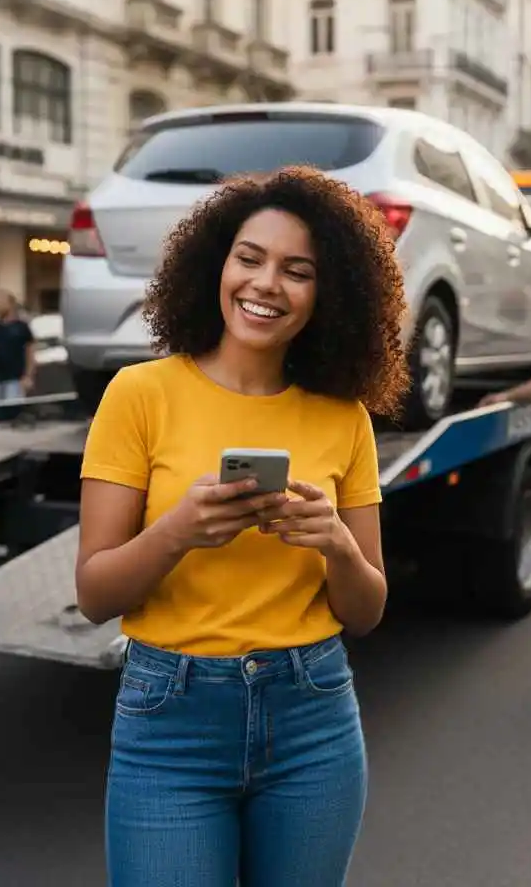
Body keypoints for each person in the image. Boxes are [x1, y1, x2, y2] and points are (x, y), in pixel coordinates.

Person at [76, 167, 410, 886]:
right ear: (216, 265)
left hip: (313, 718)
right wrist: (179, 531)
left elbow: (367, 610)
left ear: (328, 294)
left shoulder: (344, 417)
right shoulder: (140, 395)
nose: (266, 284)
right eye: (249, 258)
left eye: (298, 271)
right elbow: (95, 595)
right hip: (170, 722)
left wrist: (336, 544)